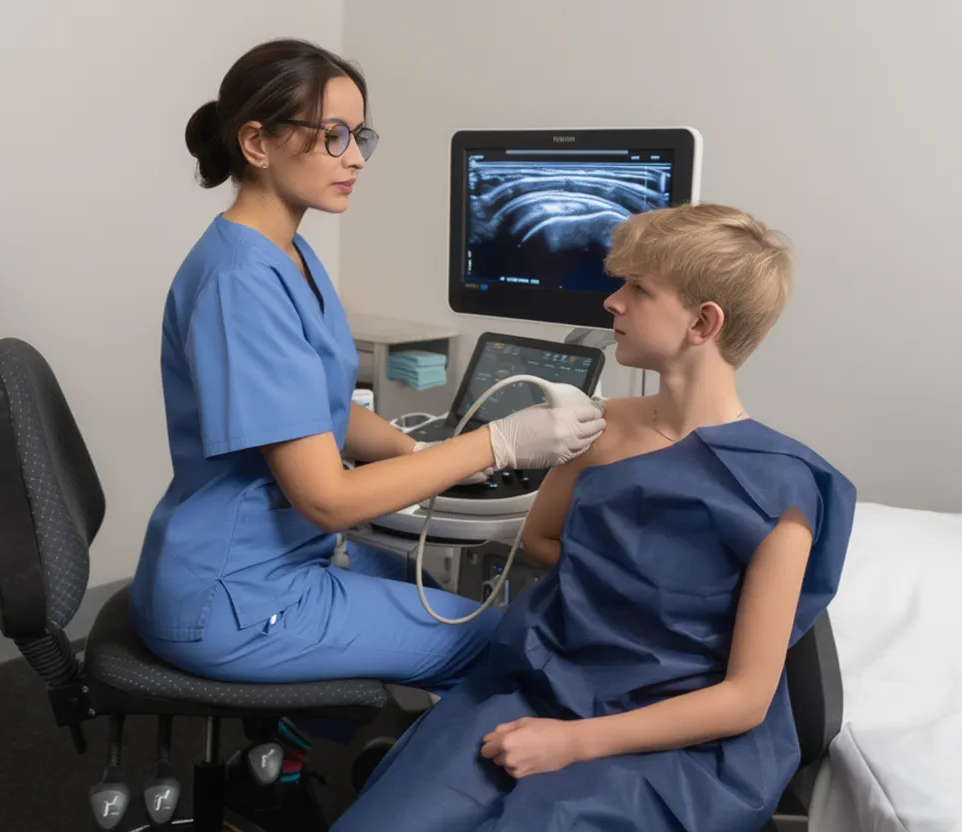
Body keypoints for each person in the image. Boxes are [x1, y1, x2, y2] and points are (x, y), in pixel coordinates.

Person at [330, 203, 858, 832]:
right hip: (548, 681)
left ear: (703, 322)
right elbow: (543, 538)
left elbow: (744, 699)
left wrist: (574, 742)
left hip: (676, 738)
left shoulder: (783, 490)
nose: (613, 302)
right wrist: (622, 599)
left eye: (638, 289)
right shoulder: (599, 428)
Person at [128, 39, 606, 702]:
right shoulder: (240, 282)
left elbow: (320, 406)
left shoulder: (285, 253)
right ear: (257, 143)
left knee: (429, 587)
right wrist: (497, 444)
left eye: (359, 136)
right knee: (501, 642)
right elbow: (326, 498)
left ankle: (311, 742)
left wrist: (423, 453)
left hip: (264, 565)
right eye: (332, 136)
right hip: (235, 600)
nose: (355, 157)